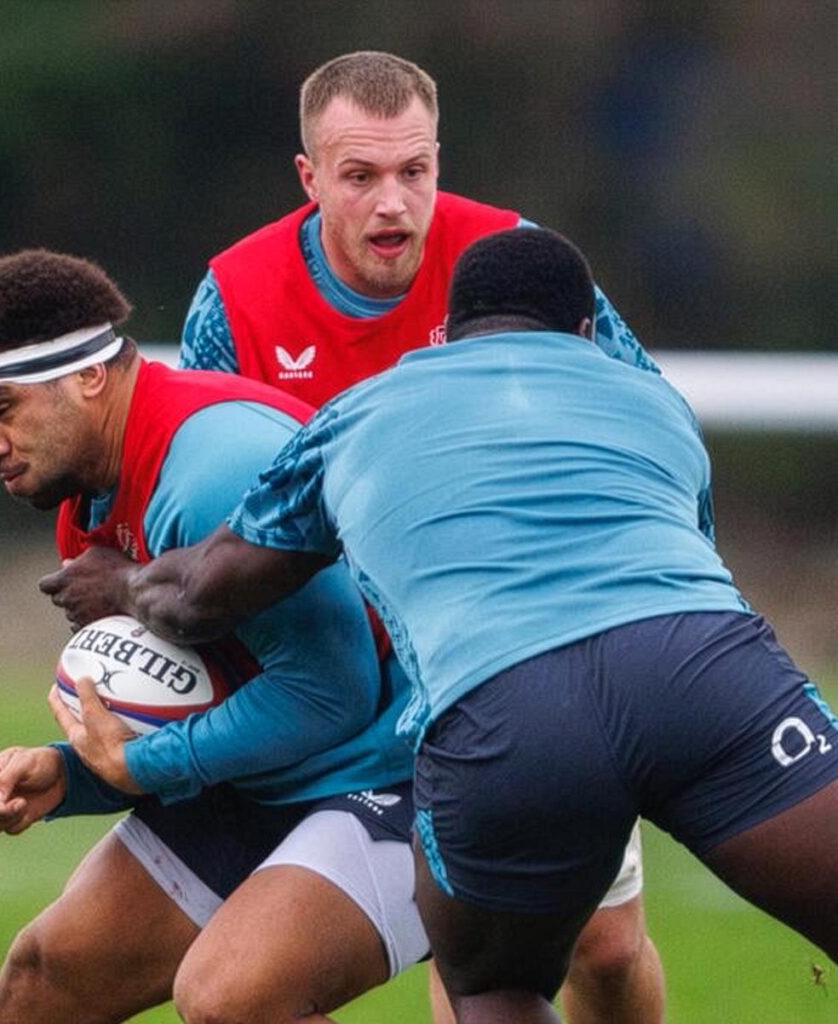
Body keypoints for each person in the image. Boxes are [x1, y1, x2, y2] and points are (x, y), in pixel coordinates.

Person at [116, 227, 838, 1023]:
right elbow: (690, 556)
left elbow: (205, 594)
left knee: (496, 989)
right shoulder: (653, 399)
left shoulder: (357, 412)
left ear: (451, 333)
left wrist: (122, 584)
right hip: (705, 673)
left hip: (502, 709)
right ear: (589, 334)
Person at [180, 49, 663, 1023]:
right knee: (462, 960)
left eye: (414, 171)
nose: (393, 202)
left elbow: (638, 418)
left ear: (438, 159)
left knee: (604, 949)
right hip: (348, 682)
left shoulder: (513, 260)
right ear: (310, 178)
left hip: (524, 652)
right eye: (359, 176)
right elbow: (211, 497)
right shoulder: (233, 302)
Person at [0, 248, 430, 1024]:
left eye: (4, 409)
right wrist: (72, 775)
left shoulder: (207, 473)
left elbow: (332, 694)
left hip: (406, 768)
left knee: (232, 997)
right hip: (280, 772)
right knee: (44, 982)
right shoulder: (85, 498)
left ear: (90, 376)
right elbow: (210, 697)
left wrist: (137, 763)